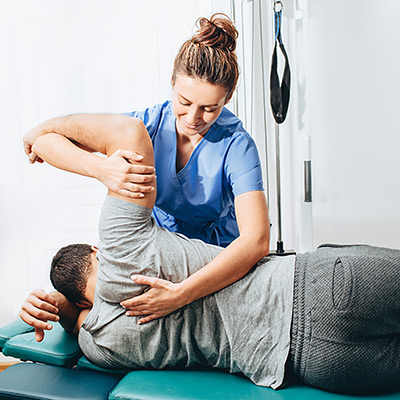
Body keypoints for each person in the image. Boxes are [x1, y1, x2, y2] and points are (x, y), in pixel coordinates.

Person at [21, 120, 400, 395]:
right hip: (318, 288)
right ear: (95, 249)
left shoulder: (102, 344)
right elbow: (129, 132)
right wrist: (63, 145)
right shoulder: (122, 245)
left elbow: (78, 324)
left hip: (317, 363)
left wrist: (59, 305)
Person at [22, 13, 270, 325]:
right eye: (184, 101)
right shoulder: (148, 125)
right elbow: (45, 143)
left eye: (209, 109)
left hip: (213, 262)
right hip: (157, 252)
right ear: (172, 82)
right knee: (108, 308)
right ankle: (53, 304)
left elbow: (258, 240)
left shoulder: (237, 145)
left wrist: (181, 294)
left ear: (228, 99)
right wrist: (101, 169)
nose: (193, 117)